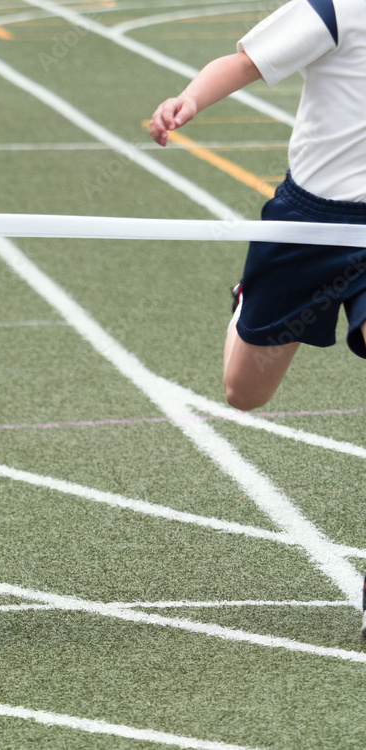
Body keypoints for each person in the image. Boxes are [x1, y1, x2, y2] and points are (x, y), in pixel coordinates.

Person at [148, 0, 366, 635]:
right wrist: (187, 100)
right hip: (313, 221)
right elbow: (242, 62)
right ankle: (251, 306)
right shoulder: (335, 8)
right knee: (245, 392)